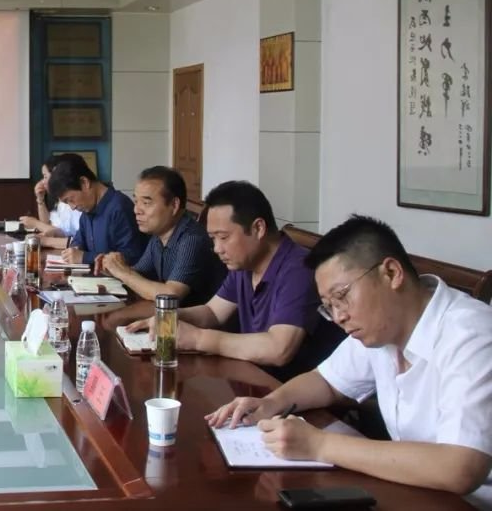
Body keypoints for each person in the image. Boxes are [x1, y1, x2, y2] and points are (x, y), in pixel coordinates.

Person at [207, 215, 492, 508]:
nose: (339, 316)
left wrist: (319, 444)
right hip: (417, 493)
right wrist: (270, 403)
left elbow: (460, 468)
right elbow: (326, 381)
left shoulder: (471, 335)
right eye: (329, 306)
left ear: (391, 273)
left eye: (342, 296)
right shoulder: (382, 327)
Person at [121, 180, 343, 381]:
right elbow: (213, 312)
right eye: (213, 239)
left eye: (224, 237)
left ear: (258, 228)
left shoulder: (299, 268)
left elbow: (279, 349)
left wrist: (198, 339)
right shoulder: (244, 263)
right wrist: (168, 318)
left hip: (291, 393)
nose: (217, 248)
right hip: (252, 379)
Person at [99, 166, 226, 326]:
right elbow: (139, 275)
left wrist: (124, 273)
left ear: (174, 205)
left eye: (146, 203)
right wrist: (112, 267)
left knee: (113, 321)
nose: (136, 210)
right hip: (169, 322)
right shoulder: (158, 236)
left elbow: (171, 295)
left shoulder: (192, 239)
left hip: (198, 329)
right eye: (136, 201)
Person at [46, 154, 147, 266]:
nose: (72, 207)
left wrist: (85, 257)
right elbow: (79, 240)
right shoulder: (87, 211)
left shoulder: (120, 207)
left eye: (71, 200)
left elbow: (131, 257)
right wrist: (74, 249)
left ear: (84, 182)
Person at [19, 155, 82, 249]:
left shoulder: (74, 202)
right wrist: (40, 199)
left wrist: (35, 224)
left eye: (45, 176)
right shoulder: (60, 202)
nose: (42, 182)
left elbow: (75, 240)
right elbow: (49, 224)